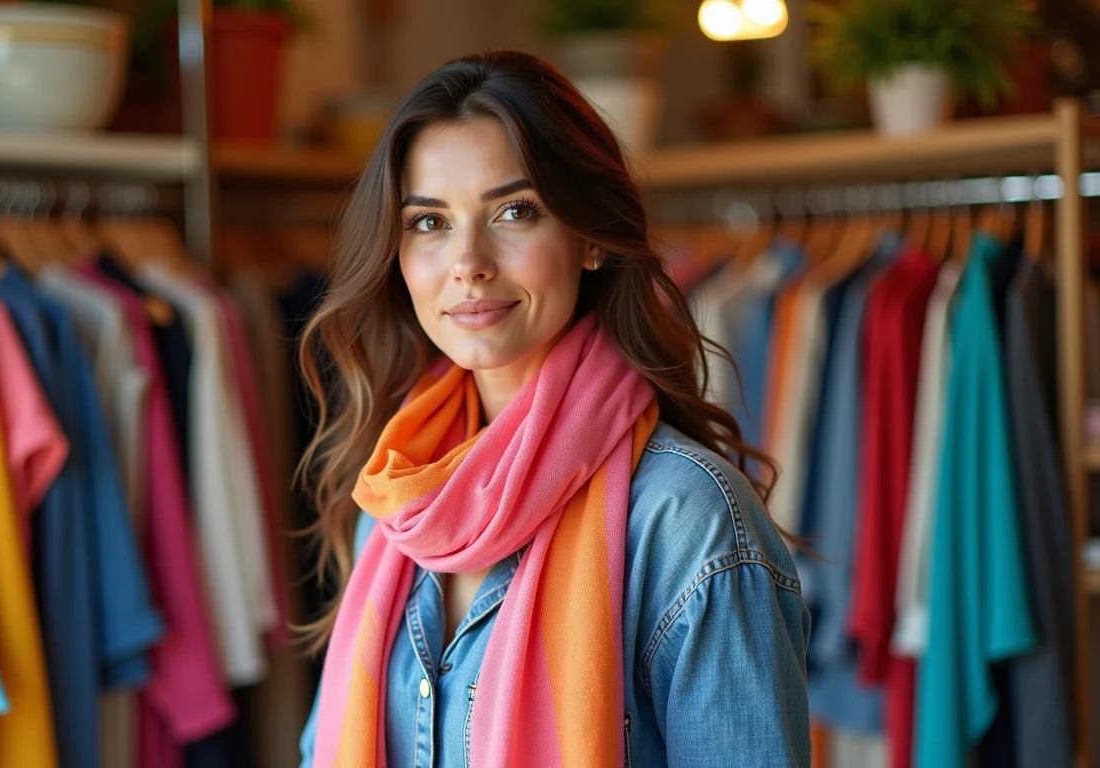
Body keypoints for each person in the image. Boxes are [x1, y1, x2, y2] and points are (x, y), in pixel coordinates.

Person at [296, 50, 810, 768]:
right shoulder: (398, 497)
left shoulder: (685, 519)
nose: (468, 261)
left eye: (515, 211)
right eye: (429, 222)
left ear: (591, 237)